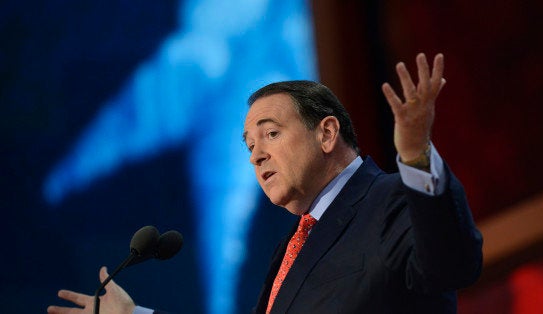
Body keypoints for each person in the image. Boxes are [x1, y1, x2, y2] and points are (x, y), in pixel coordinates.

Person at [48, 52, 483, 314]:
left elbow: (453, 264)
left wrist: (415, 156)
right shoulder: (292, 247)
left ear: (327, 133)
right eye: (248, 143)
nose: (256, 154)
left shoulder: (386, 199)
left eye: (271, 133)